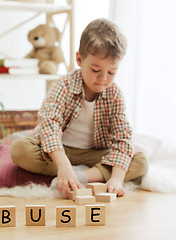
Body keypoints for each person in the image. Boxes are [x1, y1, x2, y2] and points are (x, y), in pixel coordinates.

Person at [10, 18, 148, 198]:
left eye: (111, 72)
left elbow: (123, 139)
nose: (103, 79)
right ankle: (70, 172)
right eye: (96, 70)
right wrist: (63, 165)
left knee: (140, 161)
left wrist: (116, 179)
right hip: (59, 150)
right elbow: (50, 124)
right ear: (79, 59)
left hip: (94, 153)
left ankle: (81, 176)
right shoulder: (64, 86)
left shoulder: (115, 95)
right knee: (19, 149)